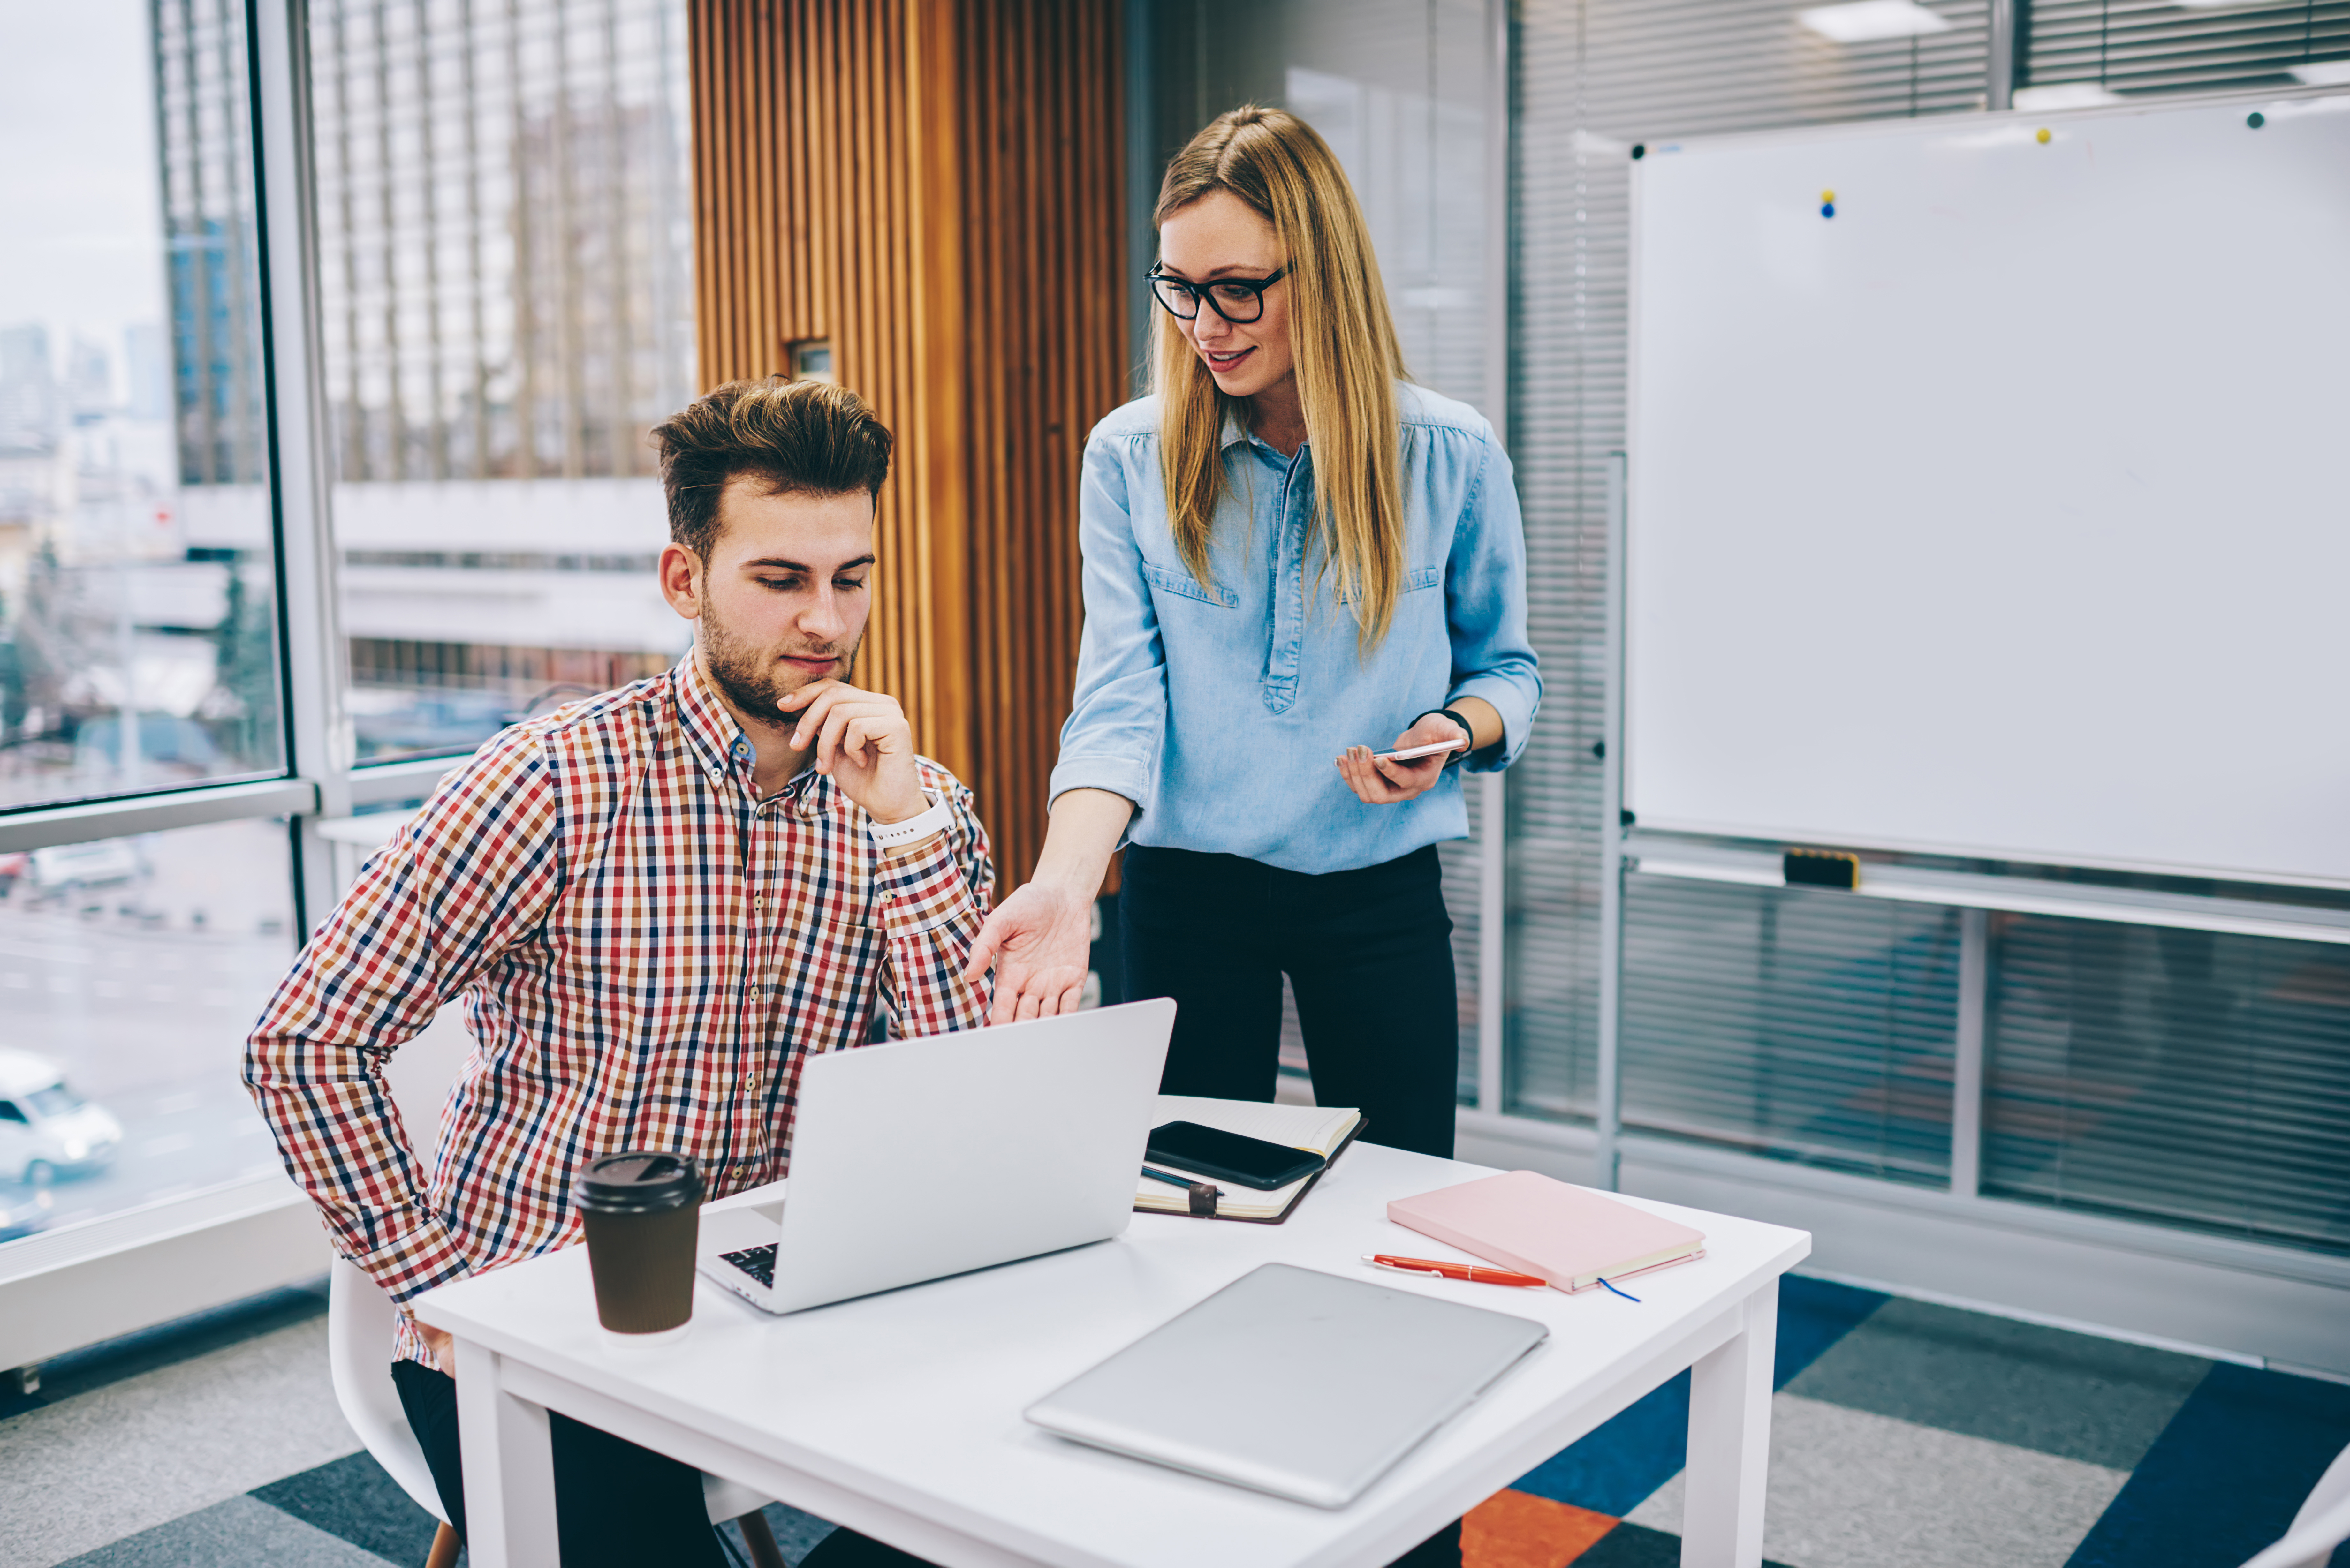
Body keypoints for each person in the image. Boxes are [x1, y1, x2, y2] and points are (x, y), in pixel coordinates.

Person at [245, 378, 988, 1568]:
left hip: (790, 1304)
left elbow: (965, 1099)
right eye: (781, 579)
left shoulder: (912, 803)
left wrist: (904, 833)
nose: (826, 621)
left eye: (851, 578)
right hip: (545, 1322)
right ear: (685, 580)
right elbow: (304, 1043)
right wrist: (439, 1291)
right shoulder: (551, 781)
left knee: (1012, 1518)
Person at [968, 104, 1539, 1167]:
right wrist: (1066, 886)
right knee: (1189, 1198)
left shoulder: (1449, 454)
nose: (1205, 324)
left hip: (1377, 890)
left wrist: (1454, 730)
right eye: (1180, 288)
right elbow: (1119, 702)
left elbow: (1508, 670)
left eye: (1237, 288)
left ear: (1321, 274)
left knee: (1397, 1187)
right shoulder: (1128, 457)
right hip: (1187, 891)